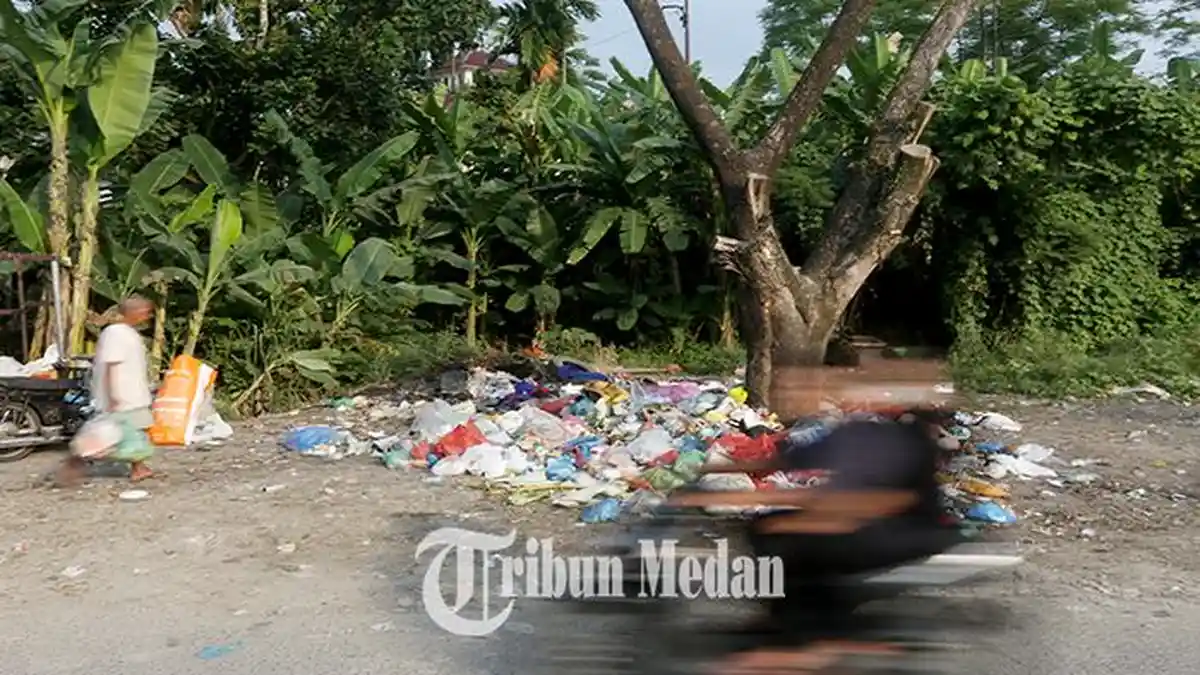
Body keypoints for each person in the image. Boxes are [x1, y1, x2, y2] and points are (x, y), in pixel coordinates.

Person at [669, 375, 962, 672]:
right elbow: (784, 463)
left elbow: (884, 500)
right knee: (765, 528)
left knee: (797, 540)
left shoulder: (885, 439)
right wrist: (712, 470)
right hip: (866, 518)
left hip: (904, 529)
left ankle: (816, 644)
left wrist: (808, 516)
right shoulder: (848, 433)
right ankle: (783, 620)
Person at [56, 296, 157, 486]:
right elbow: (112, 365)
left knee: (133, 432)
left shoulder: (128, 333)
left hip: (132, 394)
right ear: (132, 312)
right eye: (144, 311)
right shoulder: (116, 333)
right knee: (107, 436)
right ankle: (74, 464)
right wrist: (112, 395)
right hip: (122, 395)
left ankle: (139, 467)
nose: (147, 316)